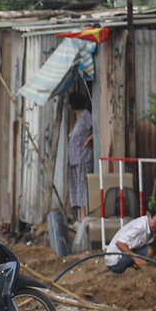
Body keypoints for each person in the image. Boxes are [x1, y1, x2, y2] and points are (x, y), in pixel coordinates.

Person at [104, 203, 156, 275]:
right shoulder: (139, 227)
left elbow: (152, 235)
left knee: (154, 246)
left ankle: (134, 264)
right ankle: (133, 266)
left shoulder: (150, 225)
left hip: (122, 254)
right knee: (150, 250)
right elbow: (119, 243)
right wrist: (136, 259)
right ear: (149, 216)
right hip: (115, 262)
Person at [65, 91, 95, 221]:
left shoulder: (86, 115)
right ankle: (82, 215)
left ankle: (85, 215)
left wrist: (88, 140)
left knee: (83, 186)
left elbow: (96, 130)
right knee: (78, 186)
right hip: (75, 159)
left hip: (83, 157)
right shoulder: (79, 117)